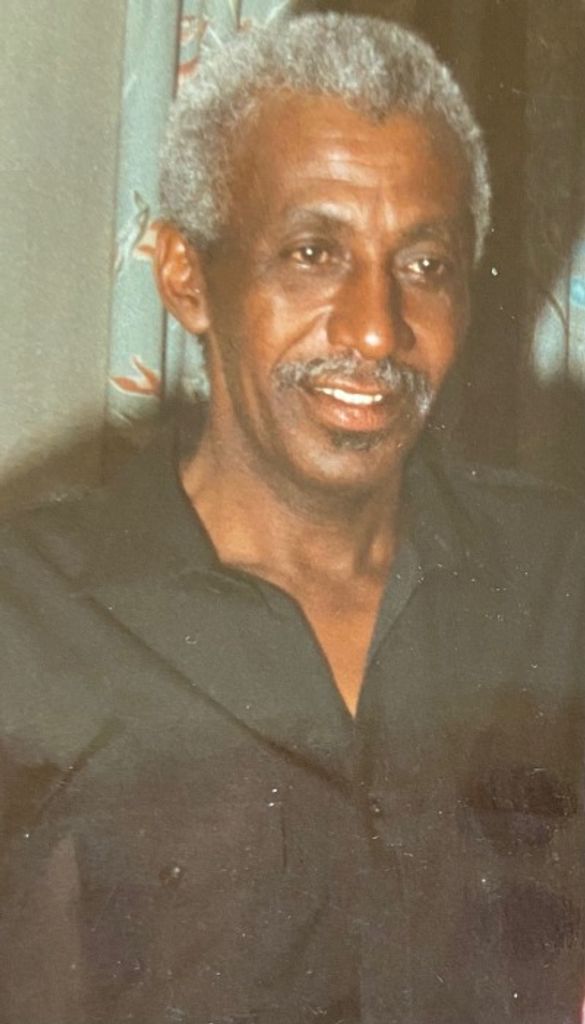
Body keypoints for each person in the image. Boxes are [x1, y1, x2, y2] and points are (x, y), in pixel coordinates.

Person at [0, 12, 583, 1024]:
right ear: (187, 278)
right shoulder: (24, 620)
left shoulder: (559, 579)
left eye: (425, 265)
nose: (376, 329)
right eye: (314, 252)